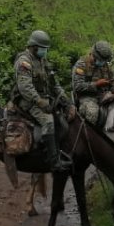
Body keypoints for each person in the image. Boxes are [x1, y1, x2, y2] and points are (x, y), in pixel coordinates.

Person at [11, 29, 72, 173]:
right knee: (48, 121)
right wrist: (40, 102)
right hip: (26, 100)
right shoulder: (24, 62)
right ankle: (53, 161)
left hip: (43, 97)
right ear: (34, 46)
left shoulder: (43, 60)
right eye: (43, 48)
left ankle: (58, 150)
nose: (45, 51)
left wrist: (66, 100)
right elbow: (25, 87)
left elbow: (54, 84)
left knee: (61, 118)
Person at [72, 40, 114, 126]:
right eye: (100, 60)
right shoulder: (81, 65)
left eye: (104, 61)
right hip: (86, 97)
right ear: (93, 55)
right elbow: (77, 86)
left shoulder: (105, 65)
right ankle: (90, 136)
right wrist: (96, 84)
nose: (102, 63)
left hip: (103, 95)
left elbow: (112, 81)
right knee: (92, 112)